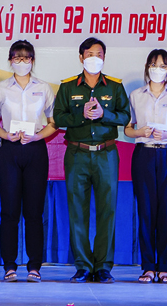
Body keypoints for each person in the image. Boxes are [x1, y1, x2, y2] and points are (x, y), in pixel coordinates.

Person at [53, 37, 131, 283]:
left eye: (99, 54)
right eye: (89, 54)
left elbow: (125, 117)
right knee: (77, 210)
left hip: (106, 154)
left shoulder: (115, 86)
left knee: (107, 210)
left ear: (104, 58)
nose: (94, 58)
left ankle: (103, 266)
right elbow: (58, 118)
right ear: (81, 57)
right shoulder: (68, 86)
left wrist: (104, 113)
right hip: (77, 154)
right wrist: (82, 114)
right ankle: (83, 266)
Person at [0, 40, 57, 283]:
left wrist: (37, 136)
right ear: (10, 61)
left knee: (34, 212)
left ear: (32, 61)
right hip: (8, 151)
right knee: (9, 211)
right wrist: (6, 135)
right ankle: (9, 265)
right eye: (17, 57)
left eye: (26, 58)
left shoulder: (44, 88)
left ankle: (34, 266)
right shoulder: (1, 88)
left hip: (35, 150)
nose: (22, 62)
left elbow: (53, 123)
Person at [124, 49, 167, 284]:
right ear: (147, 67)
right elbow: (127, 129)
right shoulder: (135, 95)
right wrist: (139, 132)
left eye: (162, 66)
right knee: (146, 211)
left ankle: (164, 267)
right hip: (143, 155)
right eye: (154, 65)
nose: (157, 69)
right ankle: (147, 268)